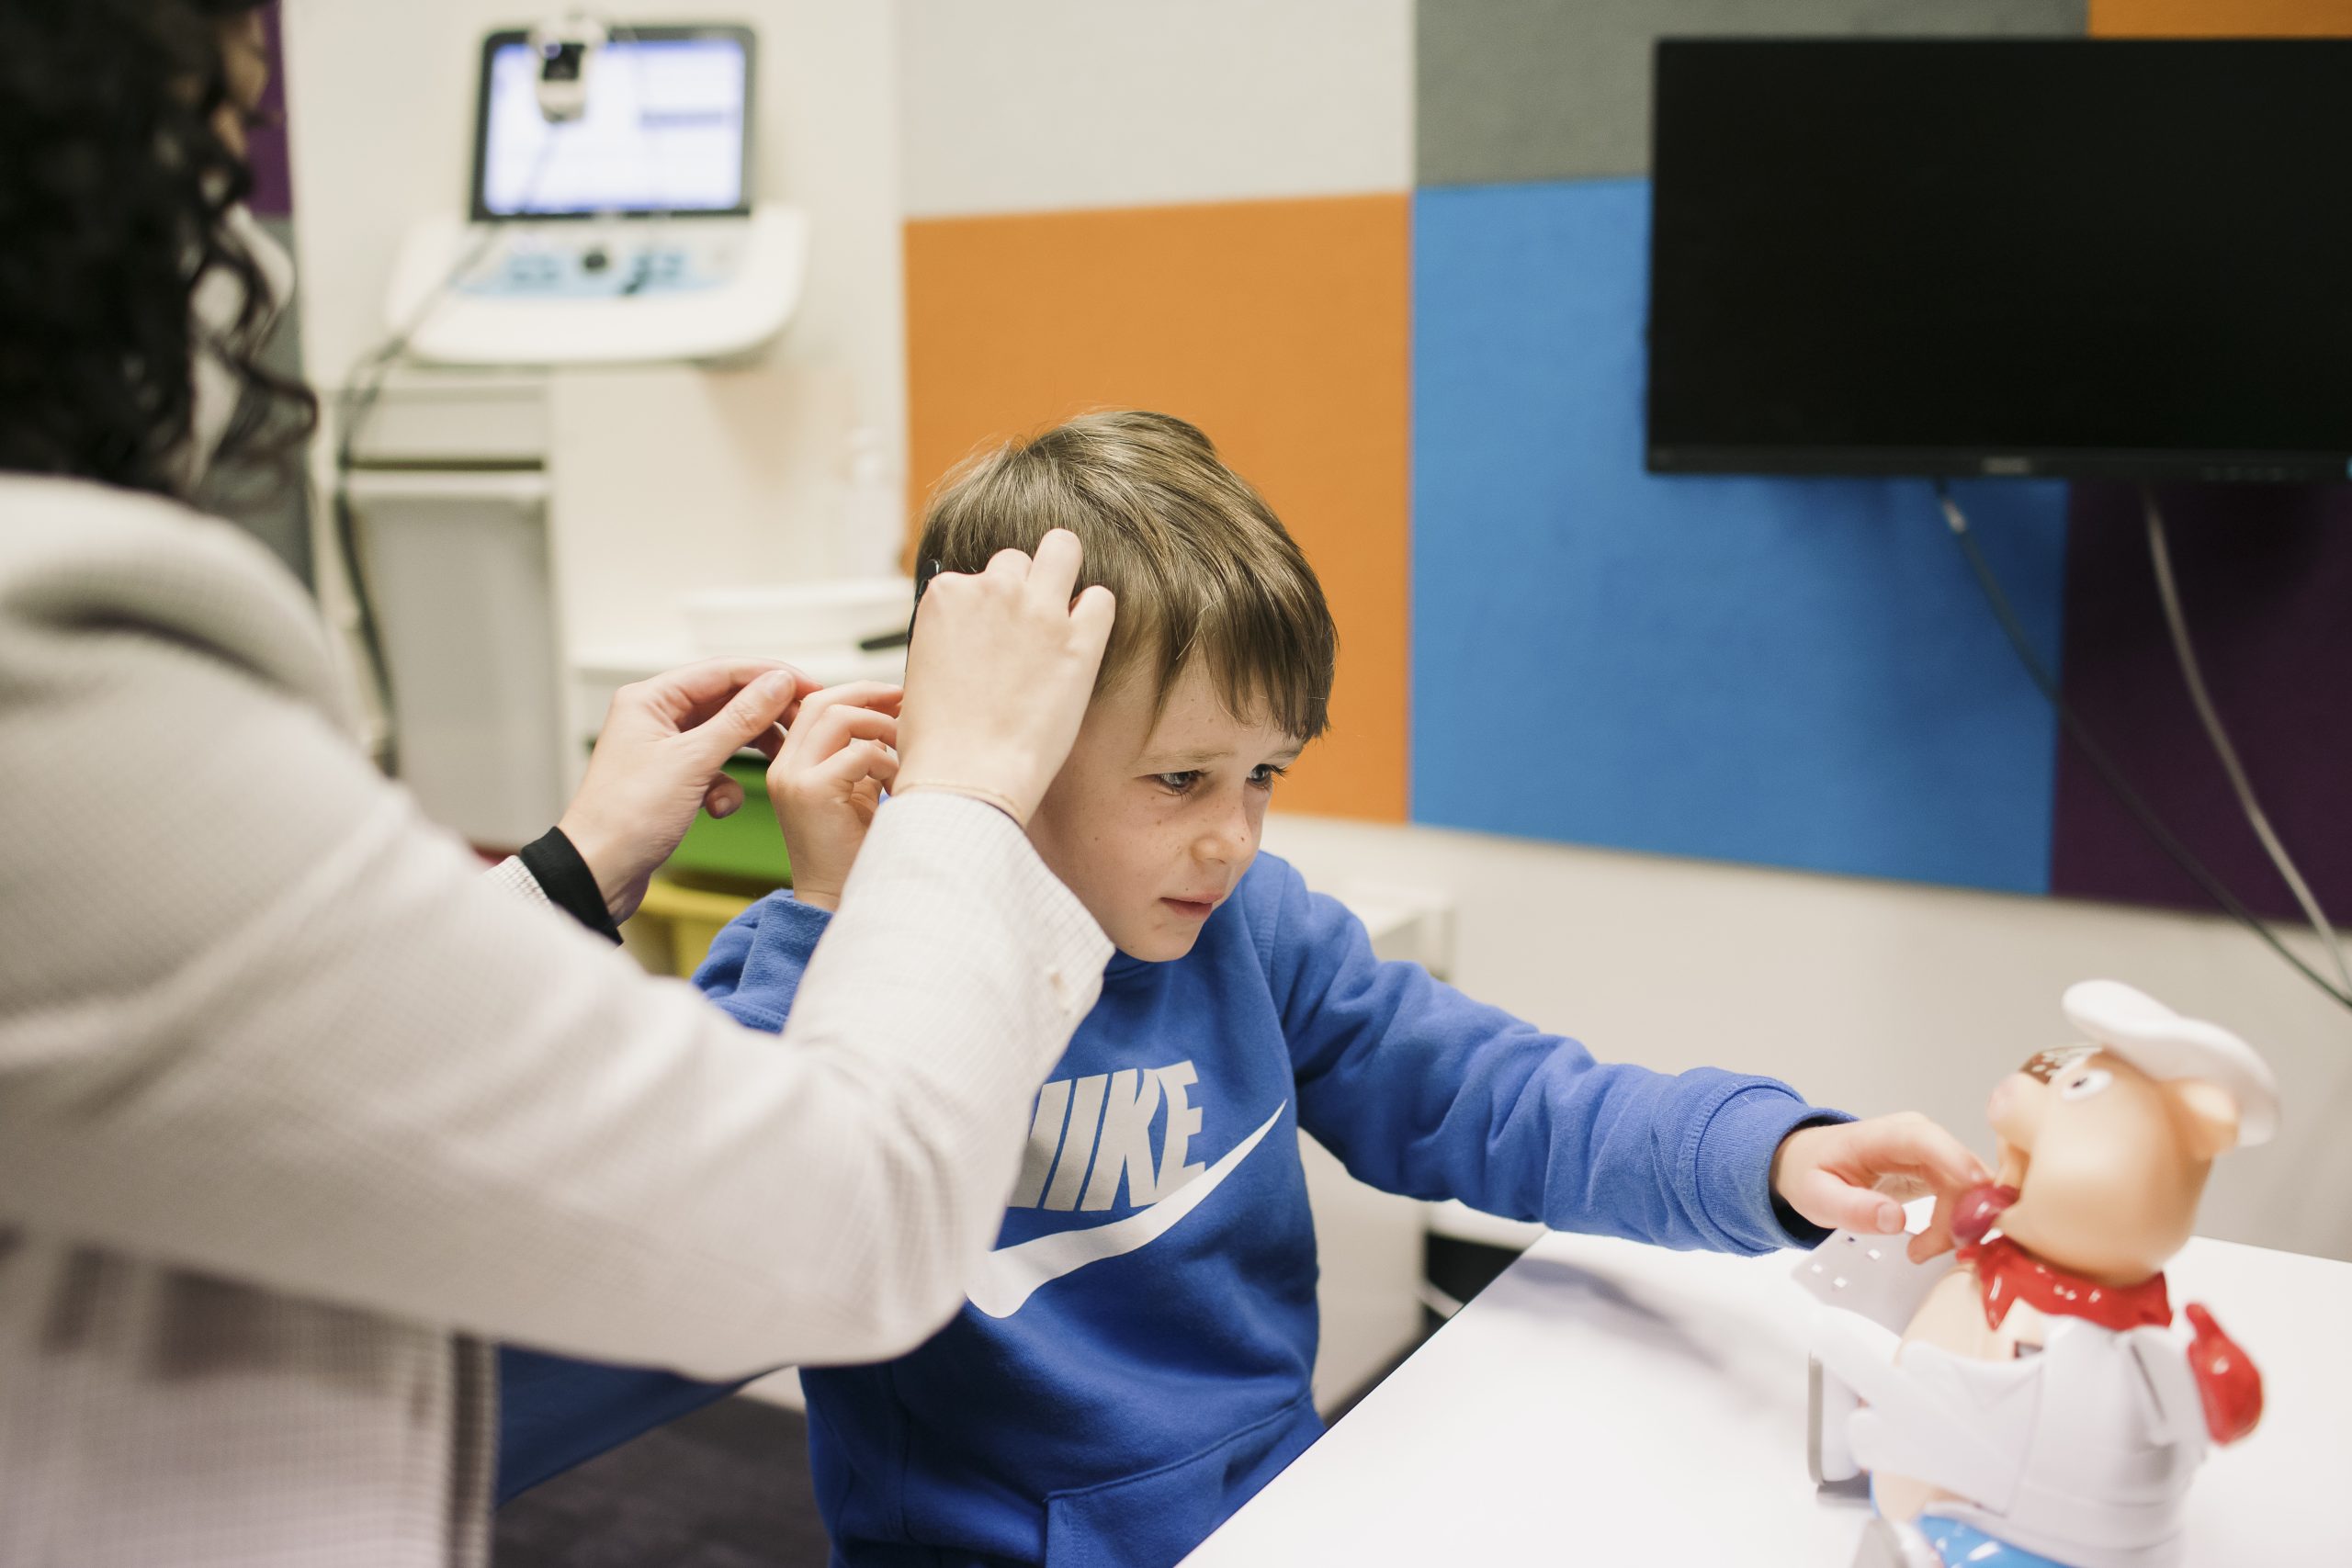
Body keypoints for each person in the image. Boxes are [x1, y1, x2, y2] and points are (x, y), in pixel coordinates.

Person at [0, 5, 1117, 1565]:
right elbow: (844, 1221)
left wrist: (581, 864)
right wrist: (970, 796)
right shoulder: (47, 682)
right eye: (207, 155)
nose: (234, 264)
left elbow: (279, 1035)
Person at [690, 411, 1994, 1567]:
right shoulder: (828, 956)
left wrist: (1766, 1155)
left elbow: (1491, 1092)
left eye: (1263, 776)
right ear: (999, 746)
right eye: (1180, 780)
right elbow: (733, 1227)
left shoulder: (1249, 927)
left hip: (1278, 1498)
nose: (1233, 838)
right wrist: (831, 916)